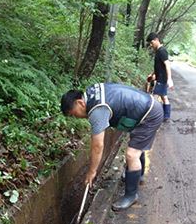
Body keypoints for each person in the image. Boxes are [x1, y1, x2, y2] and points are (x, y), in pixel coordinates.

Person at [60, 82, 163, 211]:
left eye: (74, 113)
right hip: (146, 107)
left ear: (80, 103)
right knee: (136, 146)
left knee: (132, 154)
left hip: (150, 115)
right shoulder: (92, 92)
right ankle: (138, 176)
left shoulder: (97, 110)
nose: (77, 117)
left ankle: (131, 196)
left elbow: (98, 146)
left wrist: (92, 171)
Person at [146, 32, 174, 121]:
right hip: (159, 78)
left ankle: (155, 117)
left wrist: (169, 79)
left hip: (162, 79)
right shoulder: (158, 51)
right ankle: (166, 116)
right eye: (150, 43)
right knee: (163, 97)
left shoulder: (162, 51)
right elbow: (158, 66)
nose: (151, 45)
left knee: (154, 97)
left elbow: (167, 65)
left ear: (156, 40)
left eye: (151, 42)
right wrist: (152, 74)